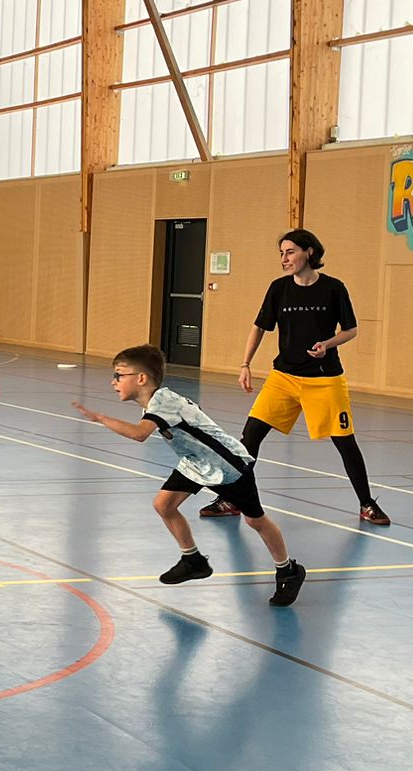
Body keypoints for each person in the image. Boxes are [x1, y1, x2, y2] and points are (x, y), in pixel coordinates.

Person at [75, 344, 305, 608]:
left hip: (226, 465)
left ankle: (288, 570)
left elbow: (140, 434)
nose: (113, 381)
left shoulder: (164, 402)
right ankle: (193, 560)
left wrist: (102, 418)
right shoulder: (154, 402)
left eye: (119, 375)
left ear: (141, 378)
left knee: (256, 521)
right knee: (164, 504)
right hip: (196, 462)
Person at [202, 228, 392, 527]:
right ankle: (232, 498)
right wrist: (245, 363)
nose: (284, 258)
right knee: (249, 437)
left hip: (324, 378)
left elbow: (351, 329)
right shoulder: (279, 289)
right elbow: (260, 327)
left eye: (290, 252)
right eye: (282, 253)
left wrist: (327, 345)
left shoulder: (333, 288)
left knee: (345, 442)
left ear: (310, 252)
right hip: (283, 377)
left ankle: (367, 504)